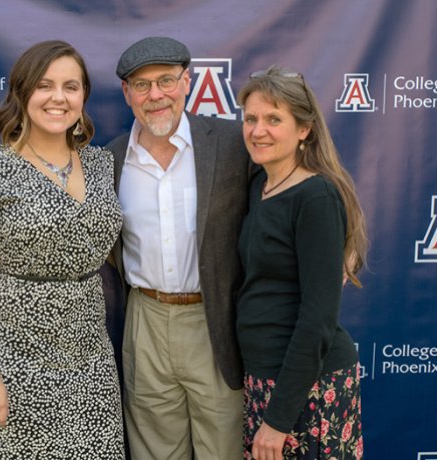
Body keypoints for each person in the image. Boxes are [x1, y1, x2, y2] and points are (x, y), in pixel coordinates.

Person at [0, 40, 125, 459]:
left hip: (90, 359)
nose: (58, 97)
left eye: (71, 86)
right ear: (22, 93)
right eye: (45, 85)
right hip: (13, 358)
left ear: (83, 97)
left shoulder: (100, 164)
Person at [107, 36, 252, 460]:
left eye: (166, 81)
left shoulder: (231, 144)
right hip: (145, 319)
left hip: (214, 322)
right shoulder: (110, 159)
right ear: (127, 93)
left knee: (221, 448)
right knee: (155, 451)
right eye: (142, 85)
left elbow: (287, 193)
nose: (156, 96)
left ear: (187, 81)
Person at [236, 66, 367, 460]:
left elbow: (317, 320)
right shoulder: (259, 185)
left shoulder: (316, 198)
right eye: (251, 119)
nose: (258, 130)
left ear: (304, 130)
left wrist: (277, 422)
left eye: (274, 119)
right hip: (263, 379)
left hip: (307, 386)